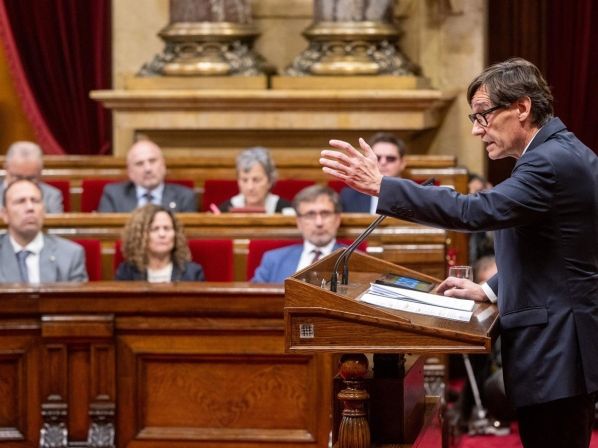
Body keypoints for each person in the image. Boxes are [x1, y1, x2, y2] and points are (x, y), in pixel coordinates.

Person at [320, 58, 598, 448]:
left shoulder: (549, 162)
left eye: (483, 115)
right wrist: (490, 289)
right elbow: (553, 252)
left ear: (522, 107)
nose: (476, 129)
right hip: (558, 347)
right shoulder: (557, 153)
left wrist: (385, 187)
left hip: (557, 349)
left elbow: (473, 212)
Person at [0, 179, 87, 282]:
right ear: (5, 214)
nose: (30, 207)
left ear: (44, 210)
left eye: (35, 201)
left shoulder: (70, 254)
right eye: (20, 201)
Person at [252, 185, 343, 283]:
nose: (319, 223)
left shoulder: (352, 259)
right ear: (299, 222)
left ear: (337, 219)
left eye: (325, 214)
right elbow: (254, 292)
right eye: (310, 215)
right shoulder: (273, 260)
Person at [98, 140, 197, 213]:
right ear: (130, 172)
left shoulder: (184, 197)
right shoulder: (114, 195)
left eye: (152, 161)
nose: (147, 169)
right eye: (139, 163)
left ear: (163, 165)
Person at [115, 204, 204, 282]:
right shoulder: (126, 272)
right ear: (140, 235)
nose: (162, 234)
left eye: (167, 228)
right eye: (154, 229)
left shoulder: (193, 273)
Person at [340, 132, 407, 213]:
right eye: (377, 158)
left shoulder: (413, 195)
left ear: (402, 163)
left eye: (390, 158)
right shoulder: (349, 196)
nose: (383, 162)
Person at [217, 147, 292, 213]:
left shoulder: (286, 210)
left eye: (256, 180)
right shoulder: (225, 210)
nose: (250, 187)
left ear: (269, 181)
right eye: (244, 180)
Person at [0, 141, 63, 213]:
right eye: (18, 177)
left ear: (40, 172)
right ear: (6, 168)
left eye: (30, 179)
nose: (24, 184)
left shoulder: (51, 196)